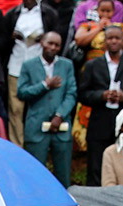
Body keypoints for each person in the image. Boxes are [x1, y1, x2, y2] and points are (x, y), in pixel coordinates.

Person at [79, 26, 123, 185]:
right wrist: (101, 96)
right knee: (96, 165)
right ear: (105, 41)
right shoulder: (92, 65)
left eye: (117, 38)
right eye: (110, 38)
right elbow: (83, 94)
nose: (114, 41)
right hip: (99, 121)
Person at [19, 30, 77, 186]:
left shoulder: (67, 65)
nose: (53, 47)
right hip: (36, 126)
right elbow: (21, 92)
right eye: (50, 43)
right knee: (34, 173)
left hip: (62, 127)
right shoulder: (28, 65)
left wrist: (60, 115)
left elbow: (71, 94)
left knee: (63, 175)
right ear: (42, 44)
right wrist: (44, 85)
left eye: (57, 45)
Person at [1, 0, 56, 144]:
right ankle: (17, 145)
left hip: (39, 65)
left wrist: (43, 39)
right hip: (16, 65)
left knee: (39, 106)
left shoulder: (48, 13)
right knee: (16, 109)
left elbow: (56, 37)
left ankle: (37, 143)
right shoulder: (13, 14)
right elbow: (2, 40)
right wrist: (11, 37)